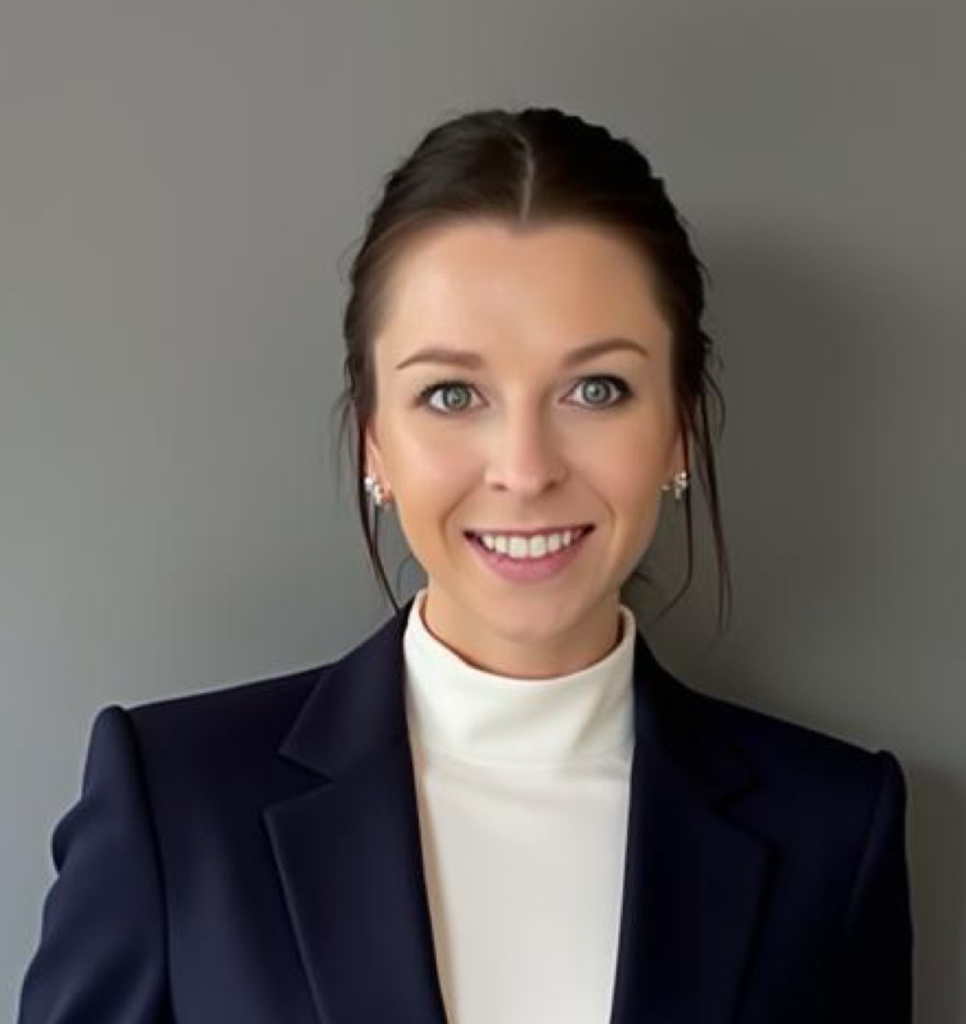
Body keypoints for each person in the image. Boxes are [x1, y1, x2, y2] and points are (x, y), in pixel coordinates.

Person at [18, 106, 913, 1023]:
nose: (524, 470)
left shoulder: (834, 828)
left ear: (679, 430)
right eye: (451, 394)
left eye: (596, 390)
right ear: (374, 442)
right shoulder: (175, 804)